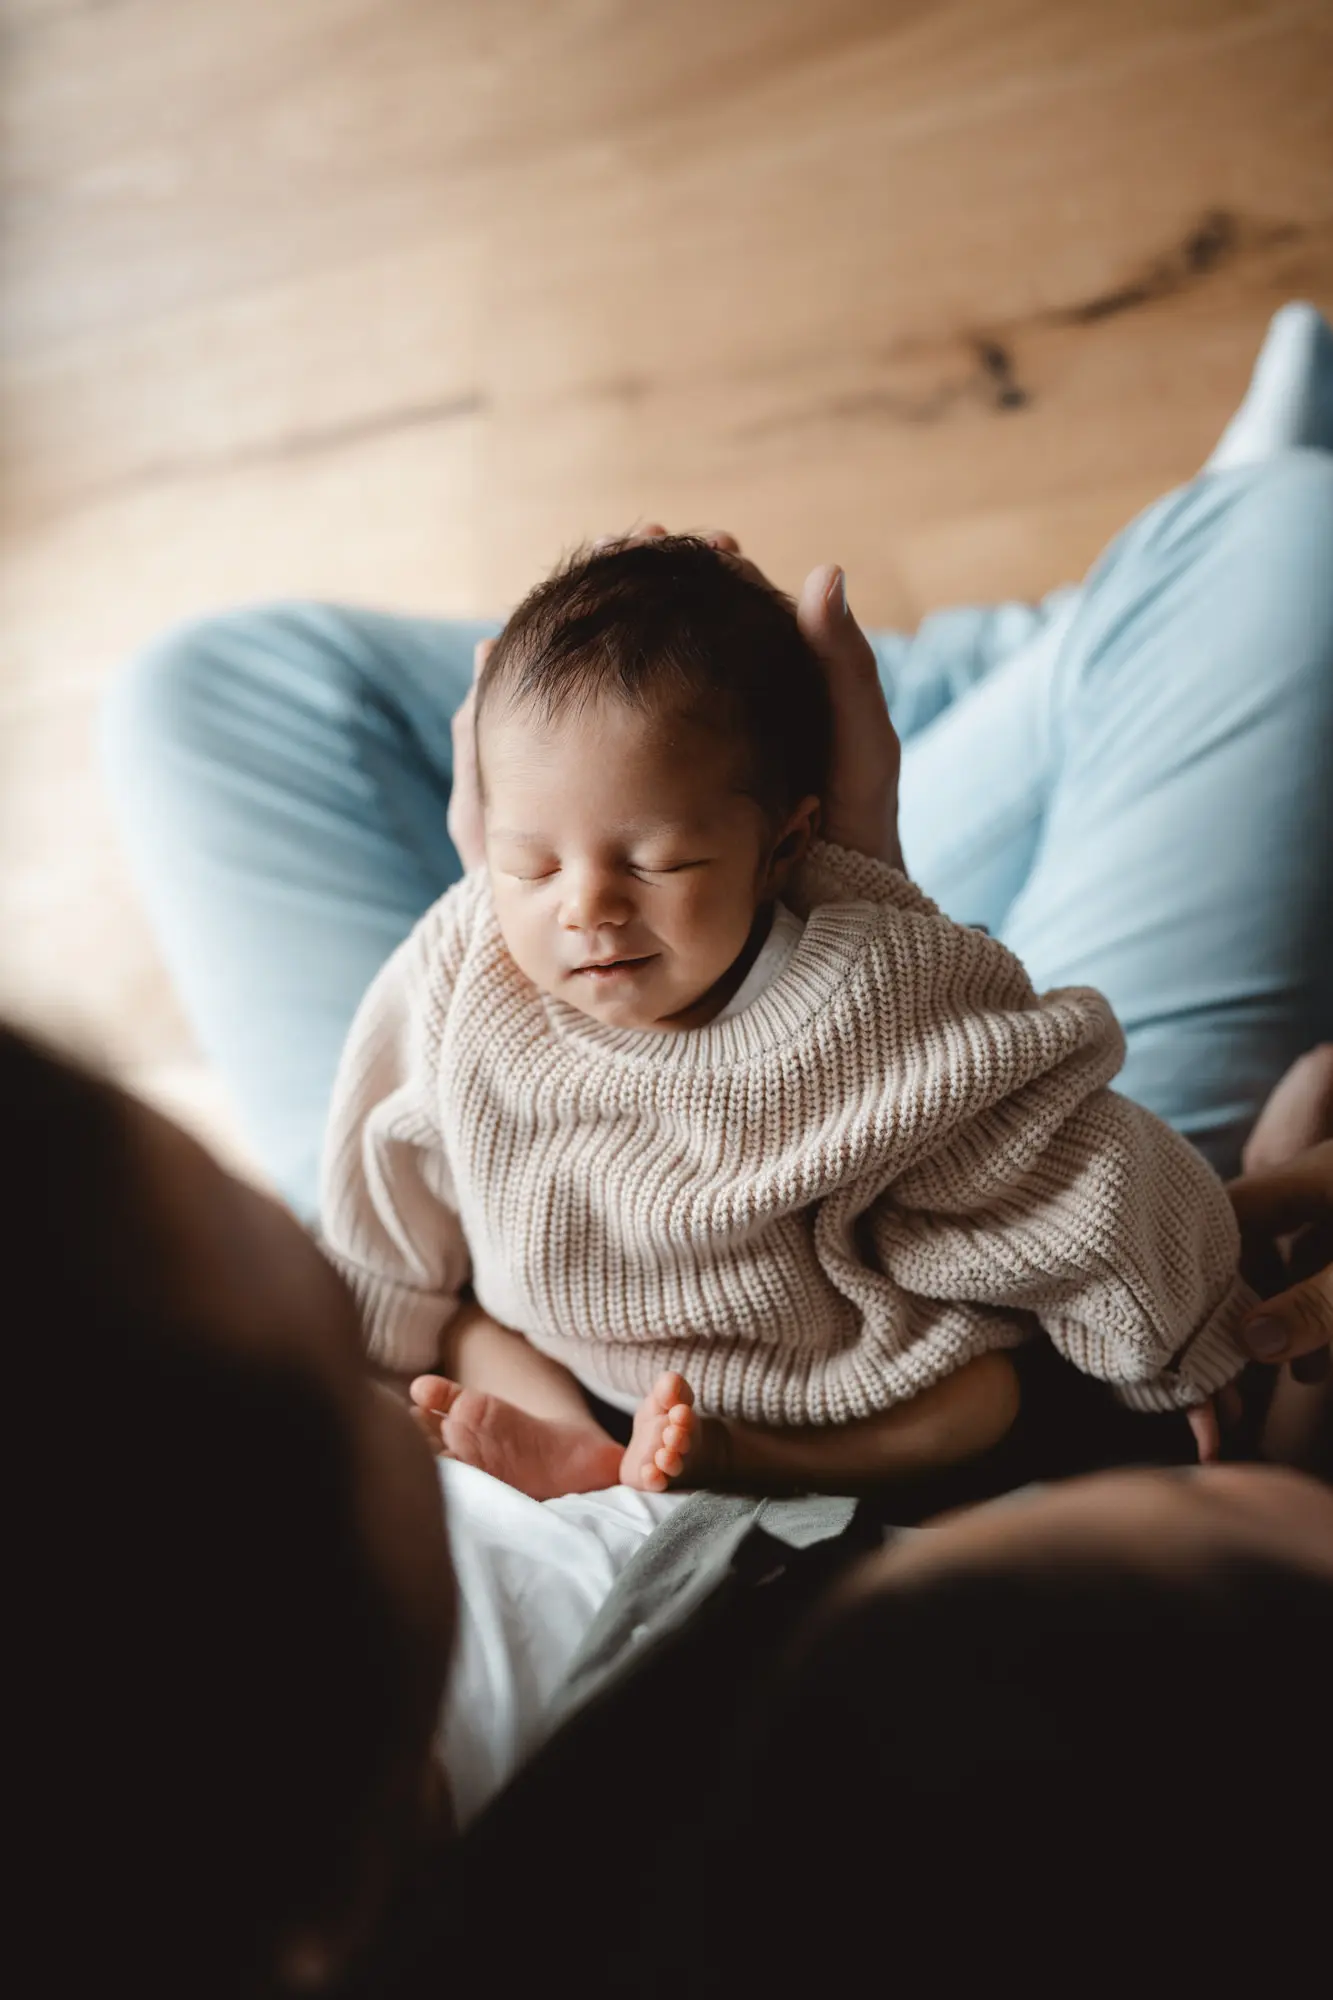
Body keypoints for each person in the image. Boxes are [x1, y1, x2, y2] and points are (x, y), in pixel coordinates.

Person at [13, 1018, 1332, 2000]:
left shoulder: (263, 1789)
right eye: (318, 1326)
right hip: (846, 1401)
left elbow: (449, 1316)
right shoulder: (855, 1752)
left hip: (613, 1395)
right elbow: (1210, 1539)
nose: (362, 1355)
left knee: (208, 708)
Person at [318, 531, 1255, 1502]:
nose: (586, 907)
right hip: (565, 1349)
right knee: (465, 1330)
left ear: (785, 843)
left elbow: (1068, 1162)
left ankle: (718, 1461)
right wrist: (368, 1347)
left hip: (823, 1385)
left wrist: (1176, 1334)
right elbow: (378, 1154)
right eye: (532, 865)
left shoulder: (865, 998)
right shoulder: (462, 964)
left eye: (655, 862)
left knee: (982, 1393)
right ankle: (583, 1460)